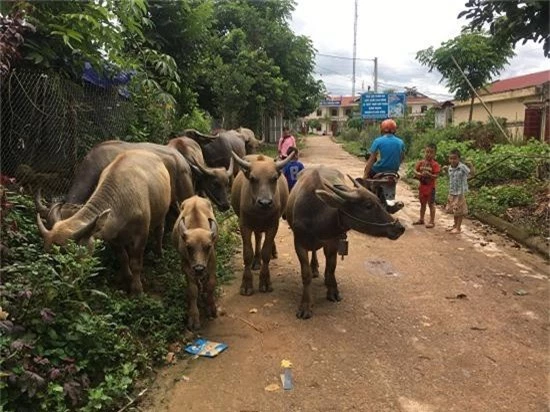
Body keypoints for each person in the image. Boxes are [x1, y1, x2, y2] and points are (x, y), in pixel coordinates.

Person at [445, 148, 473, 234]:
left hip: (459, 193)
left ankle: (458, 227)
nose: (453, 160)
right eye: (451, 158)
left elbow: (471, 173)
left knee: (459, 210)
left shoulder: (462, 167)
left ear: (459, 159)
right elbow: (450, 178)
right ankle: (455, 225)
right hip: (452, 192)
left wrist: (471, 166)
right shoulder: (450, 168)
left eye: (455, 158)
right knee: (454, 209)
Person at [413, 143, 440, 228]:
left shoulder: (435, 164)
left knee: (431, 204)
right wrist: (418, 174)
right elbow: (414, 171)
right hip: (422, 187)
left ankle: (432, 221)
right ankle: (421, 219)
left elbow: (436, 175)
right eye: (427, 152)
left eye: (431, 152)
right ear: (424, 152)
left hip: (430, 188)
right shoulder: (421, 163)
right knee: (422, 204)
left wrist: (429, 175)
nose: (429, 154)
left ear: (434, 154)